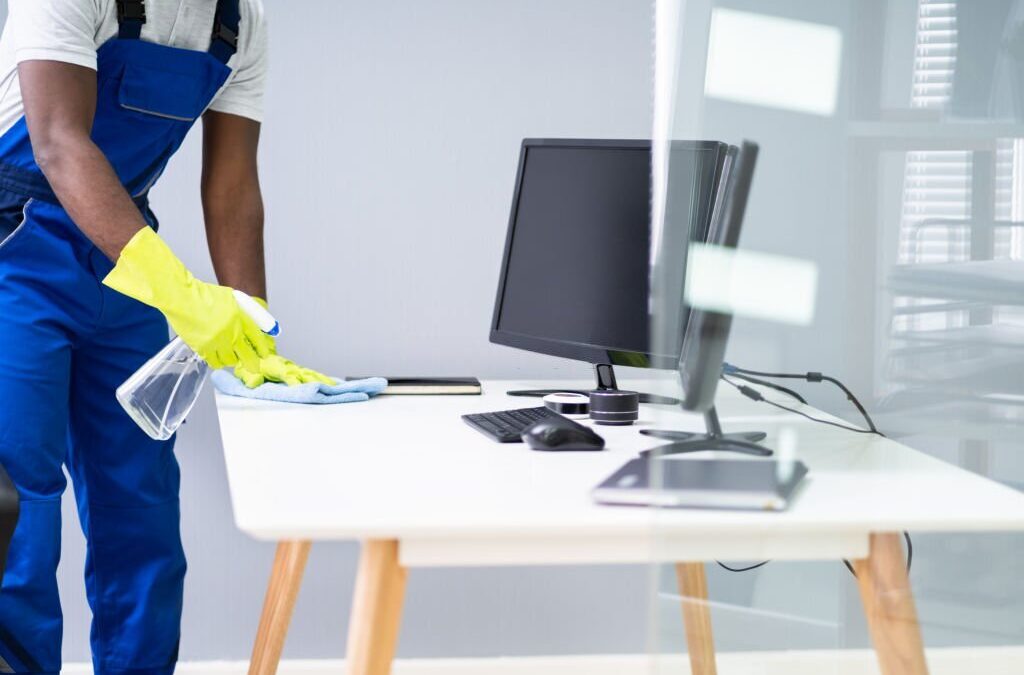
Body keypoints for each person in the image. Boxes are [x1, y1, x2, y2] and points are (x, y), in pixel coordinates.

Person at [0, 1, 328, 671]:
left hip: (123, 253)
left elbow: (232, 183)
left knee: (141, 511)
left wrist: (250, 320)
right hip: (16, 251)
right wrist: (179, 294)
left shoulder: (240, 22)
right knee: (18, 513)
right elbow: (59, 141)